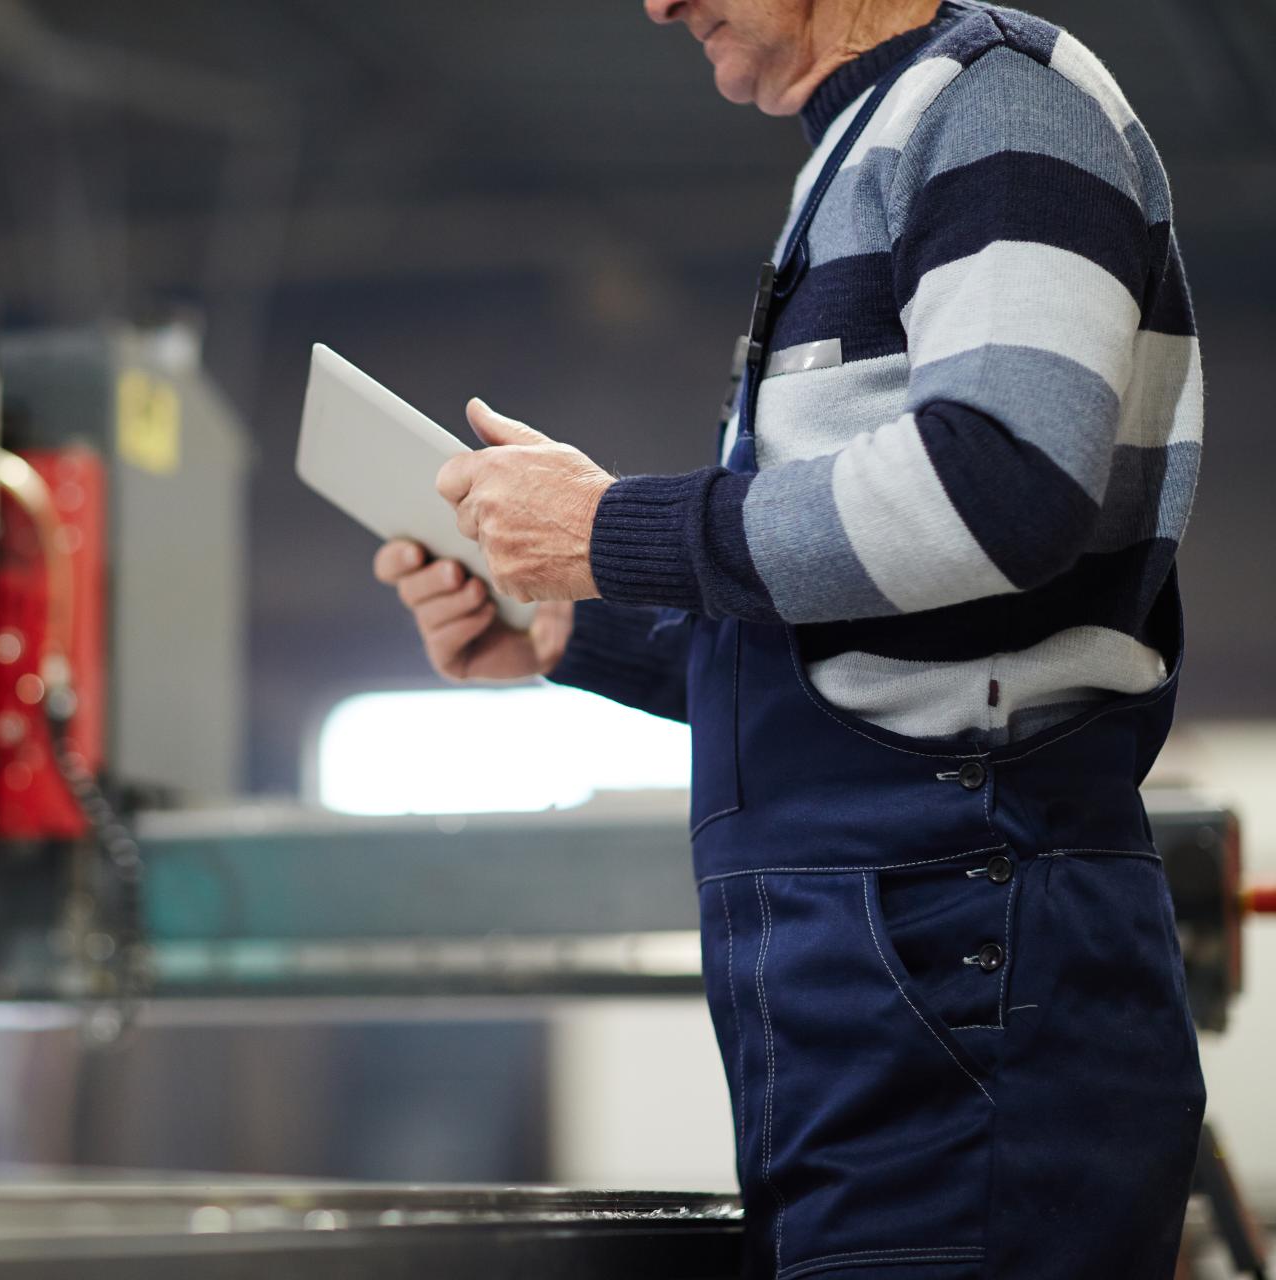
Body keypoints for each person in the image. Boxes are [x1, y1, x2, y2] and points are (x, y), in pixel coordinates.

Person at [372, 1, 1205, 1276]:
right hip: (892, 973)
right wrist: (575, 623)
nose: (655, 3)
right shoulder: (873, 136)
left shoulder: (999, 107)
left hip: (961, 955)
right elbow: (874, 639)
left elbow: (1006, 485)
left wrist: (614, 530)